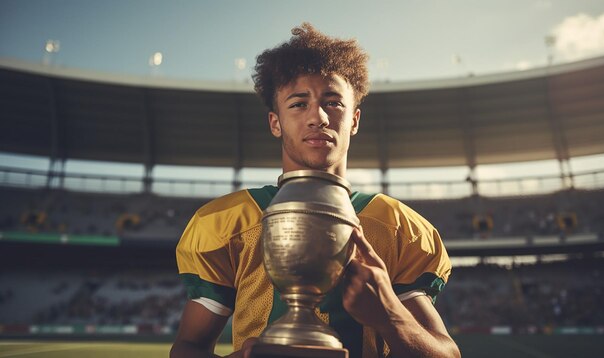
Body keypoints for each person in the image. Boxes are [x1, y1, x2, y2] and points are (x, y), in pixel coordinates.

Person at [170, 23, 460, 358]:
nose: (318, 117)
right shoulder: (230, 222)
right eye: (298, 103)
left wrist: (389, 316)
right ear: (275, 122)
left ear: (354, 120)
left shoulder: (397, 226)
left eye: (333, 102)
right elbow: (188, 347)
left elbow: (447, 354)